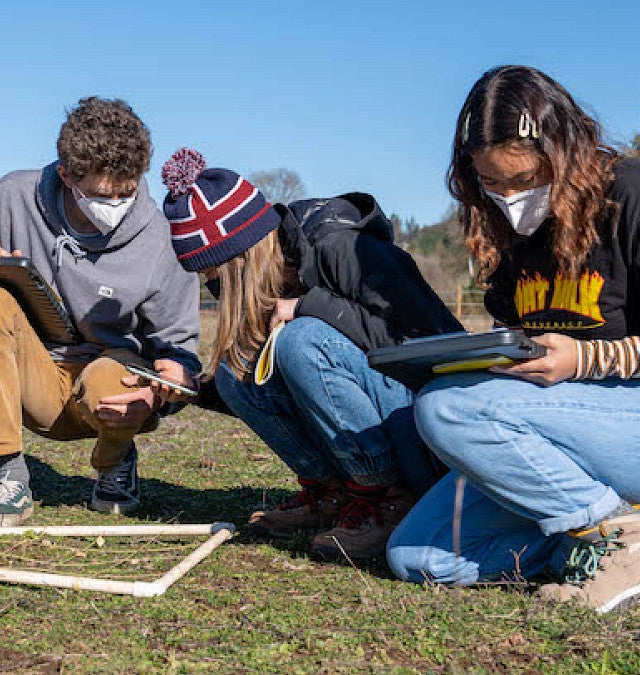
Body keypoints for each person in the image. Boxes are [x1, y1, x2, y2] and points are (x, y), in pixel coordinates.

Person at [386, 65, 640, 613]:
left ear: (564, 150)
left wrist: (584, 358)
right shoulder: (511, 233)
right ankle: (620, 519)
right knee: (421, 556)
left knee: (446, 410)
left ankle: (624, 539)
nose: (508, 198)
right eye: (492, 183)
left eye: (524, 181)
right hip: (579, 423)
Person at [159, 148, 462, 561]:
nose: (215, 286)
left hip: (424, 425)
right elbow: (275, 391)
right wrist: (191, 390)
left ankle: (389, 501)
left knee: (302, 341)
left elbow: (431, 344)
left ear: (244, 254)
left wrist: (307, 306)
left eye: (217, 273)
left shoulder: (344, 248)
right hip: (370, 432)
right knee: (234, 371)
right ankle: (333, 495)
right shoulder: (260, 275)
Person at [0, 97, 201, 528]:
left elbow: (178, 349)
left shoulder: (163, 236)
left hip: (108, 382)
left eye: (126, 193)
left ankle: (114, 463)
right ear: (66, 175)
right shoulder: (15, 195)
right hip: (33, 372)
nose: (115, 205)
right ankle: (10, 475)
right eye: (101, 195)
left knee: (109, 378)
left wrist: (167, 386)